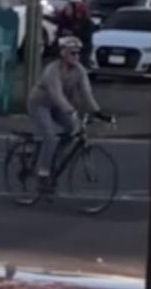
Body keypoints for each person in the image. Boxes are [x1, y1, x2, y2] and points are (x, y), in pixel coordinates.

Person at [28, 36, 111, 191]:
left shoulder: (80, 70)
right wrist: (71, 111)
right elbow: (56, 95)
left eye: (78, 53)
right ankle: (43, 174)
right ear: (62, 53)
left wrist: (99, 113)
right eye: (72, 53)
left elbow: (87, 94)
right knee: (50, 137)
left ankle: (54, 156)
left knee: (73, 129)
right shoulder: (52, 70)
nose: (76, 56)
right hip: (40, 104)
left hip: (58, 107)